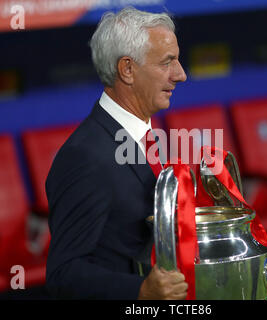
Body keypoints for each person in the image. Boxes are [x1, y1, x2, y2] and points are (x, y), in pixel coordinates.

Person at [45, 7, 188, 299]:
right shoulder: (85, 157)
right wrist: (140, 291)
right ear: (127, 69)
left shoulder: (144, 136)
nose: (181, 75)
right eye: (167, 62)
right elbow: (63, 274)